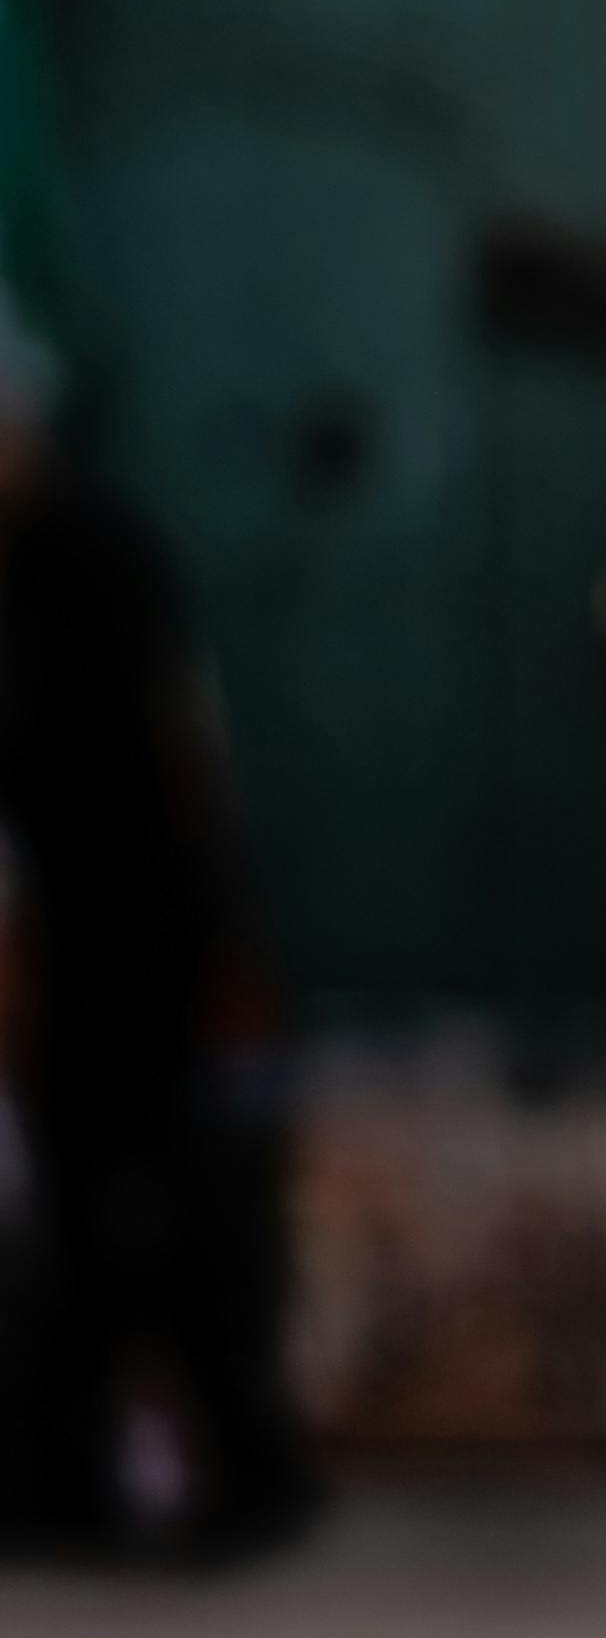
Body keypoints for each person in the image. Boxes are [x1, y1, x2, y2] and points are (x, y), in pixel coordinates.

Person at [0, 309, 319, 1560]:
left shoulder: (94, 559)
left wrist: (223, 946)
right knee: (86, 1220)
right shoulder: (32, 562)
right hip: (78, 950)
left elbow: (177, 764)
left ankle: (243, 1473)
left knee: (175, 1221)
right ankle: (68, 1482)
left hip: (150, 944)